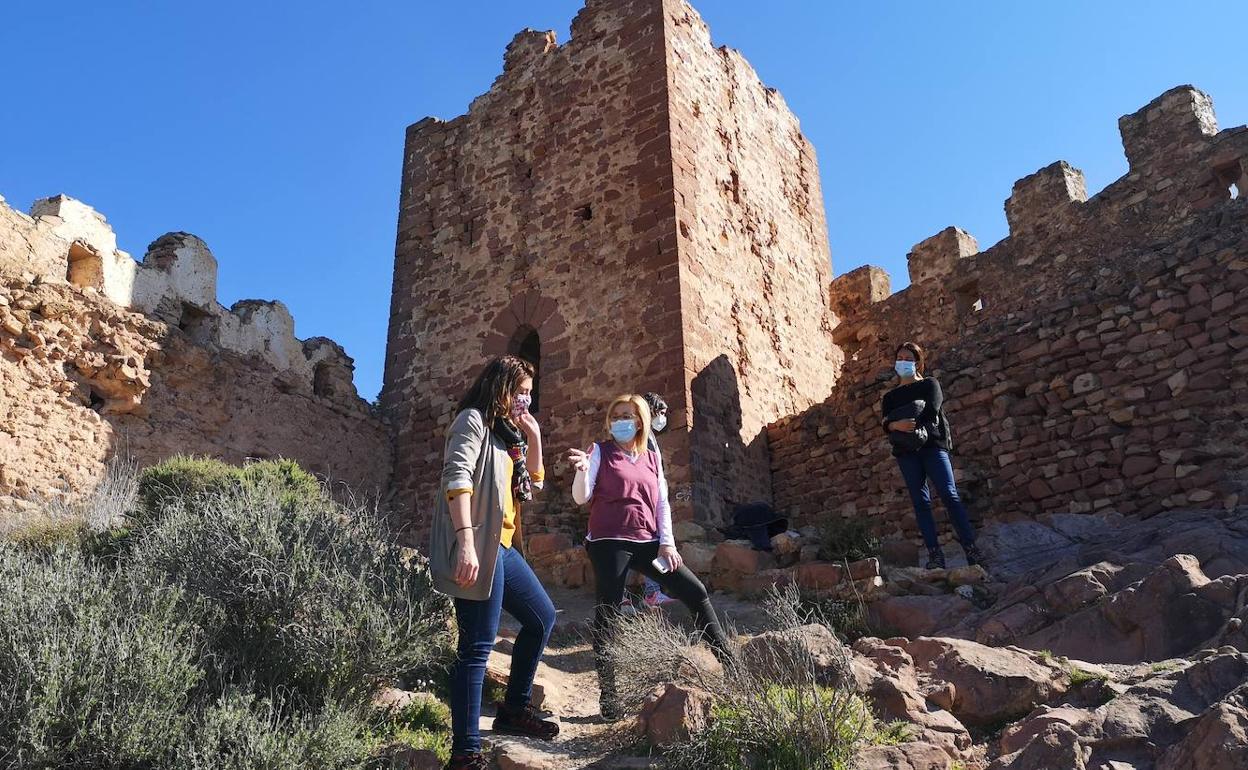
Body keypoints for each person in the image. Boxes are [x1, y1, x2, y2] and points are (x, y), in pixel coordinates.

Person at [429, 356, 559, 770]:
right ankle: (465, 752)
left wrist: (534, 439)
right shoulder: (472, 421)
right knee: (476, 648)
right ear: (501, 387)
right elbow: (456, 477)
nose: (526, 400)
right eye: (520, 392)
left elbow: (533, 484)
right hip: (478, 543)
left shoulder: (508, 437)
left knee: (541, 618)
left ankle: (513, 710)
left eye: (530, 394)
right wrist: (465, 541)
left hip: (503, 547)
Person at [567, 394, 731, 720]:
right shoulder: (600, 451)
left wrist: (667, 544)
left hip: (649, 543)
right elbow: (581, 497)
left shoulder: (652, 457)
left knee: (695, 591)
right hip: (609, 542)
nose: (621, 421)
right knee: (609, 611)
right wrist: (583, 472)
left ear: (640, 420)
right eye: (616, 415)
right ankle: (609, 695)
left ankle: (732, 666)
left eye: (628, 415)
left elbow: (662, 505)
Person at [882, 342, 984, 570]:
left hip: (932, 447)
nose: (902, 361)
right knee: (920, 503)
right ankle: (935, 556)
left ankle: (971, 551)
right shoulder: (890, 397)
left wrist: (911, 425)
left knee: (950, 495)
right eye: (899, 357)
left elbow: (933, 408)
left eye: (908, 358)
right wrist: (896, 424)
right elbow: (885, 423)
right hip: (906, 453)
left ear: (917, 362)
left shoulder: (930, 384)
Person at [639, 392, 676, 608]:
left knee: (650, 544)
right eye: (660, 412)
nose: (663, 418)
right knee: (648, 544)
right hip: (646, 499)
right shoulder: (643, 436)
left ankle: (652, 591)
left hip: (652, 497)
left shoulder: (650, 436)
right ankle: (651, 593)